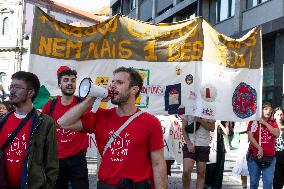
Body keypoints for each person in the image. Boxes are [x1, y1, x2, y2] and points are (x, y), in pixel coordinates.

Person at [58, 67, 167, 189]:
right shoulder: (100, 116)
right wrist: (91, 99)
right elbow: (63, 123)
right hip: (107, 185)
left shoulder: (150, 122)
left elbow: (158, 164)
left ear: (134, 89)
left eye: (119, 82)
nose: (113, 86)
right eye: (112, 82)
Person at [0, 71, 58, 188]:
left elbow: (51, 164)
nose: (12, 90)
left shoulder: (45, 123)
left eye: (17, 87)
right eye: (11, 87)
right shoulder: (3, 120)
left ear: (30, 92)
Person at [42, 66, 89, 189]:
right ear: (59, 84)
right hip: (56, 160)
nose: (70, 83)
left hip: (78, 160)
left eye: (73, 80)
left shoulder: (83, 104)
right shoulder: (50, 105)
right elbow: (43, 130)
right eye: (66, 80)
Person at [247, 102, 280, 189]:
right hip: (254, 156)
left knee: (268, 183)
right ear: (260, 110)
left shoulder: (273, 122)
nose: (268, 111)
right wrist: (259, 148)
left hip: (270, 157)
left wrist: (265, 123)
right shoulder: (253, 121)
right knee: (254, 182)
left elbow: (276, 134)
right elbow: (250, 137)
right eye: (265, 109)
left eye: (270, 109)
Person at [181, 115, 215, 189]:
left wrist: (201, 121)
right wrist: (189, 143)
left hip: (203, 145)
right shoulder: (188, 107)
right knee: (186, 172)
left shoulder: (209, 108)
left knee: (201, 173)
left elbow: (212, 128)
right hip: (189, 144)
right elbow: (183, 129)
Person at [204, 121, 230, 189]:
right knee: (209, 168)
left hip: (220, 148)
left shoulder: (224, 121)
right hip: (210, 147)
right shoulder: (209, 119)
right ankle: (207, 184)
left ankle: (216, 186)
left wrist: (220, 123)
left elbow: (227, 133)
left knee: (219, 170)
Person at [232, 121, 249, 189]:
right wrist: (246, 128)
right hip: (243, 143)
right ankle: (244, 186)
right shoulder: (240, 120)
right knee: (243, 167)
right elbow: (236, 129)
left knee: (253, 166)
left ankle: (253, 185)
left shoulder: (254, 118)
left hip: (253, 142)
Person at [272, 107, 284, 189]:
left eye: (281, 114)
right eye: (278, 114)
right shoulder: (270, 126)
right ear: (274, 116)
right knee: (276, 180)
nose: (280, 116)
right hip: (274, 155)